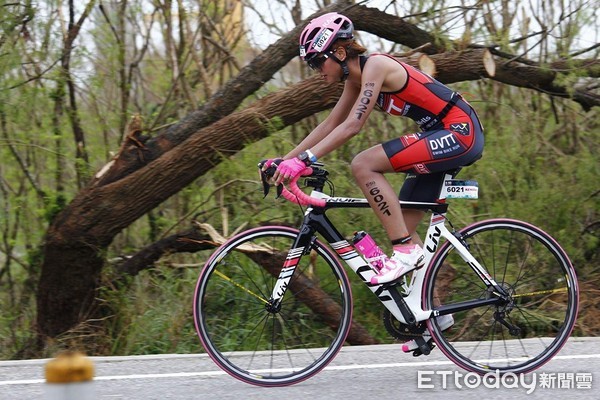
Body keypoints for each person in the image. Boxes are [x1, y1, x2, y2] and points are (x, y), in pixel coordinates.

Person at [265, 12, 484, 350]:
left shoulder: (377, 66)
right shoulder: (355, 79)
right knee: (402, 224)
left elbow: (353, 126)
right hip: (439, 134)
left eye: (316, 62)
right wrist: (287, 160)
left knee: (364, 164)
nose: (316, 71)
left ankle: (406, 252)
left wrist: (306, 160)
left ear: (338, 53)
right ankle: (431, 318)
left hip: (459, 130)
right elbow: (330, 124)